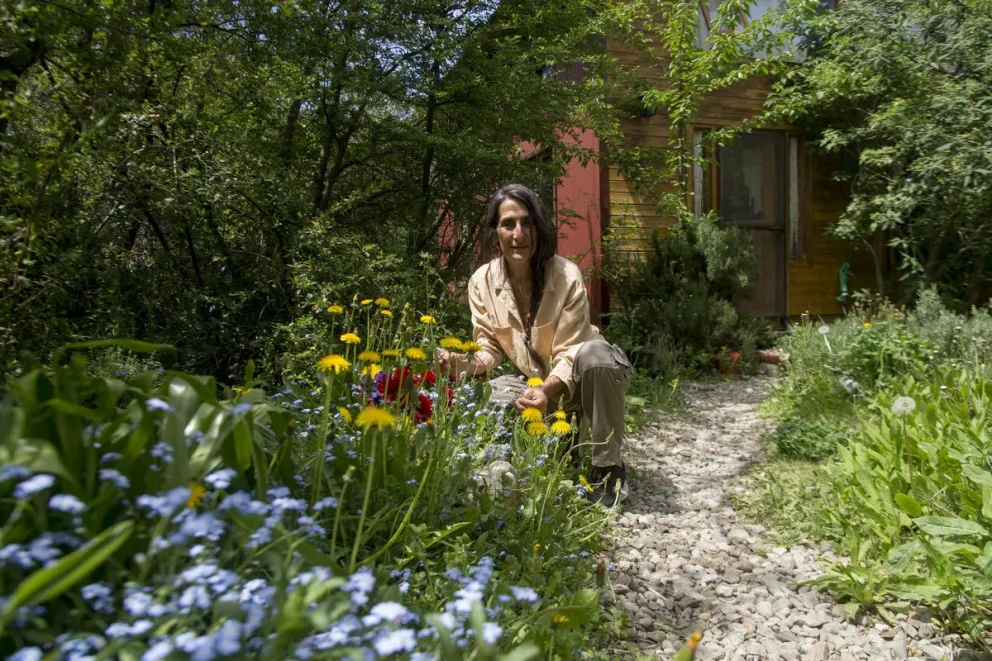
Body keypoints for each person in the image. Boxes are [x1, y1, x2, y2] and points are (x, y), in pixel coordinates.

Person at [439, 183, 632, 506]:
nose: (518, 234)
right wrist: (459, 362)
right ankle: (539, 457)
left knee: (597, 355)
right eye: (508, 224)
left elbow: (572, 351)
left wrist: (545, 390)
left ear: (540, 227)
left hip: (586, 379)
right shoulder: (481, 282)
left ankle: (608, 467)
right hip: (535, 385)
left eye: (527, 222)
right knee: (495, 392)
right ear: (495, 232)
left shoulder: (566, 275)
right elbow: (489, 350)